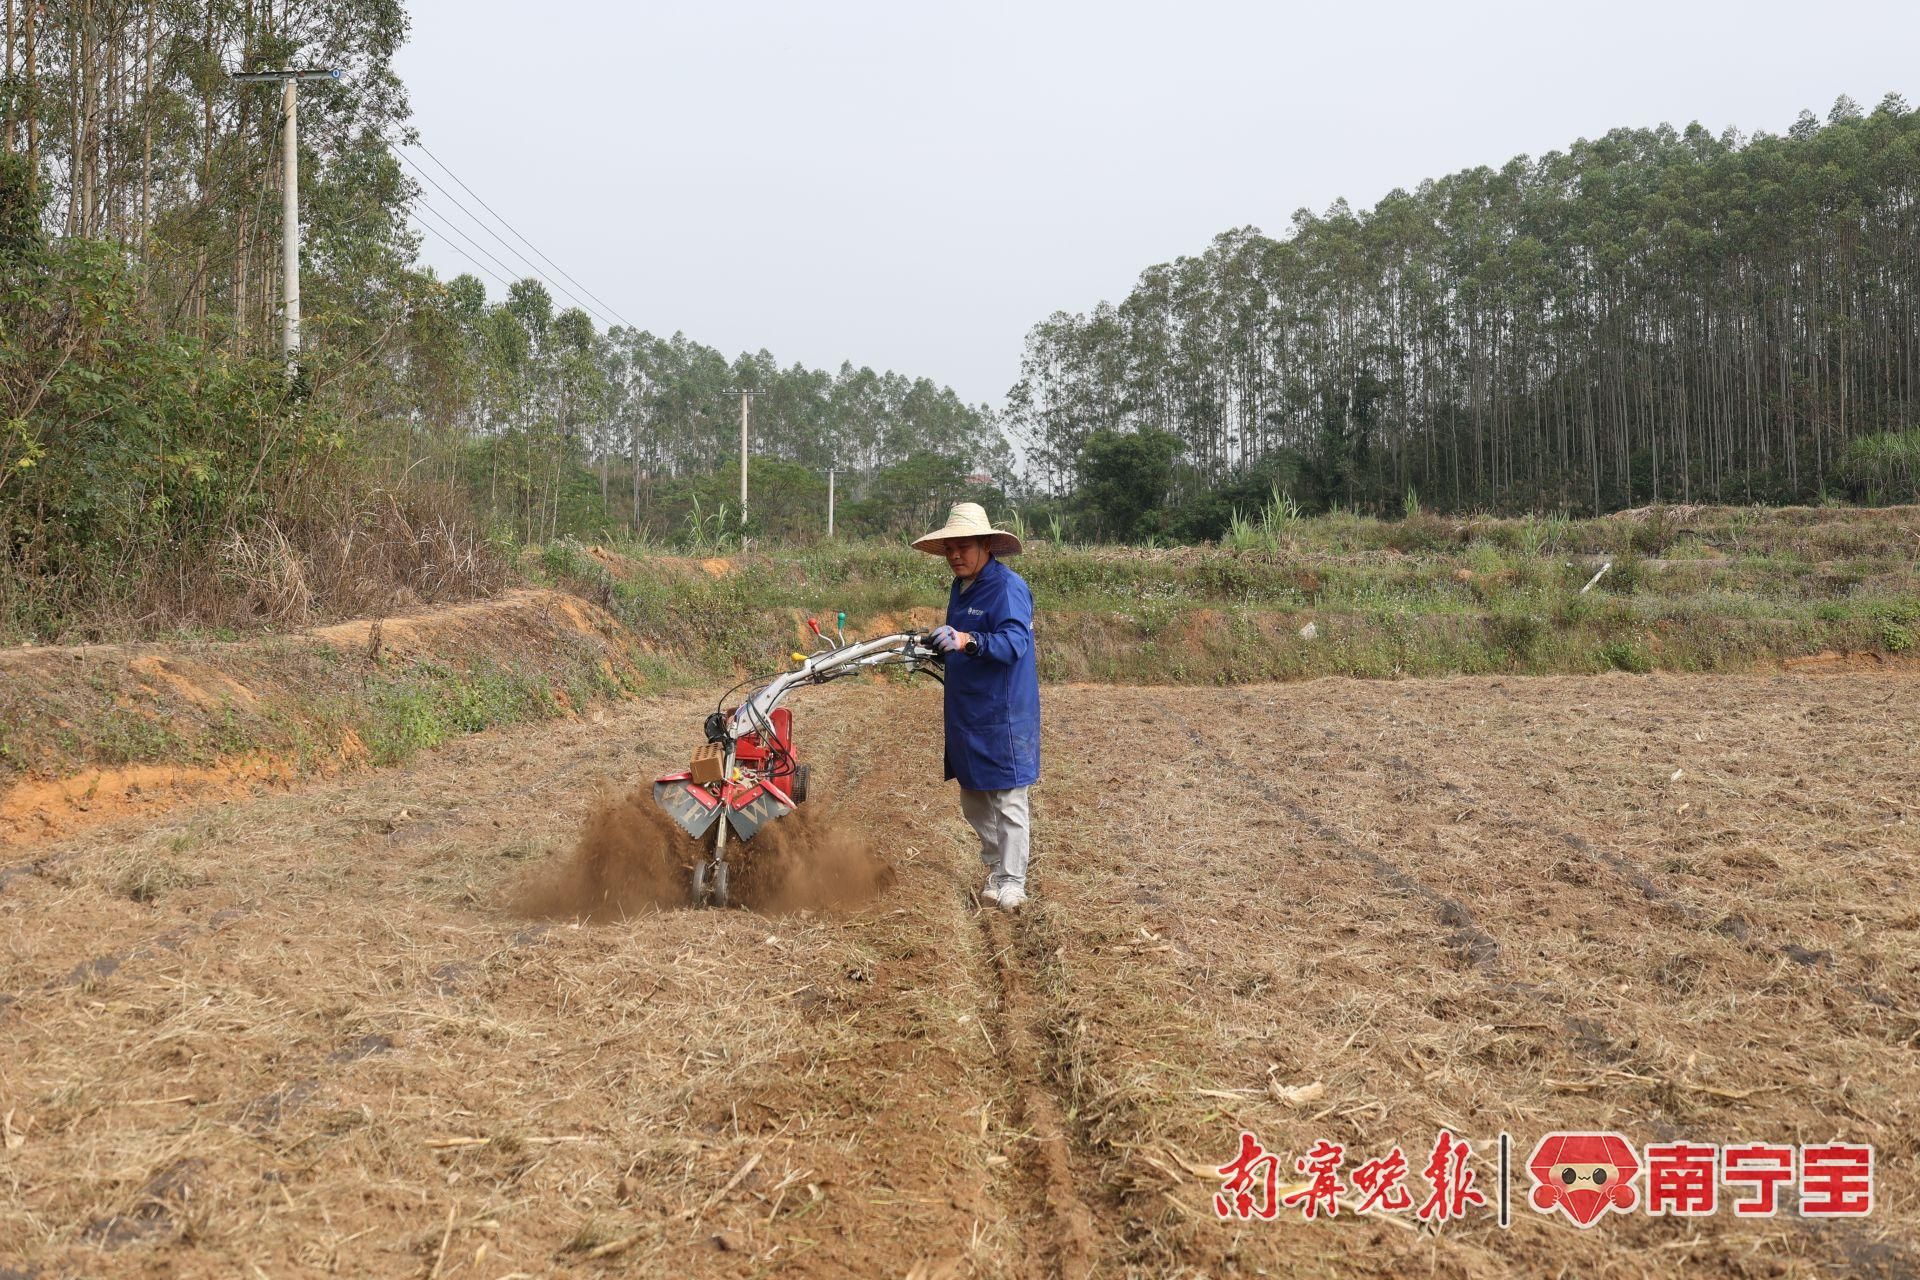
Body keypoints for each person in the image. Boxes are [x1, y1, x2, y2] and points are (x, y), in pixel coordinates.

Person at [913, 502, 1040, 910]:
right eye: (949, 548)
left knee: (1008, 799)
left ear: (986, 545)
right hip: (967, 712)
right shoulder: (960, 587)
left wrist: (970, 641)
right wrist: (937, 647)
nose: (954, 556)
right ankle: (997, 867)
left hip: (1003, 714)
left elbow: (1015, 642)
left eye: (963, 547)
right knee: (972, 799)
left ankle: (1013, 881)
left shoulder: (1007, 588)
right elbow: (959, 637)